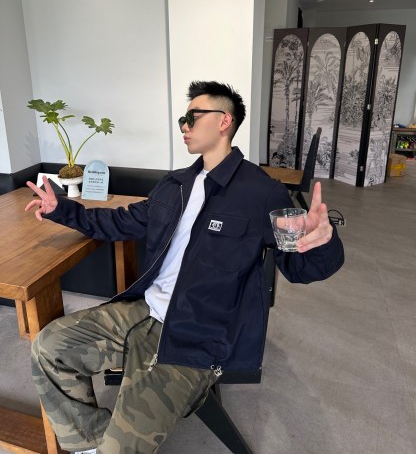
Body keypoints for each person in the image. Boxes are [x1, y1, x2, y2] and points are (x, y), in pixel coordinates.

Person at [26, 81, 344, 454]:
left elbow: (299, 268)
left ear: (224, 121)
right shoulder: (174, 184)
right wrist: (62, 209)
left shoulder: (261, 193)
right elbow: (119, 222)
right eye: (183, 119)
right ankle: (91, 441)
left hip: (197, 336)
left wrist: (323, 241)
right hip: (143, 311)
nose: (184, 126)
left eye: (193, 117)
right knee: (48, 348)